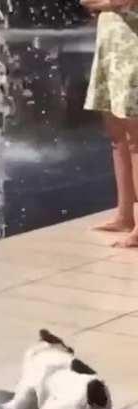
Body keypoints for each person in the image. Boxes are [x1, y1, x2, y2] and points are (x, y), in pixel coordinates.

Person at [83, 0, 138, 247]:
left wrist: (104, 3)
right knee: (117, 137)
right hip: (110, 43)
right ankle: (124, 215)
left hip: (132, 44)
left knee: (136, 139)